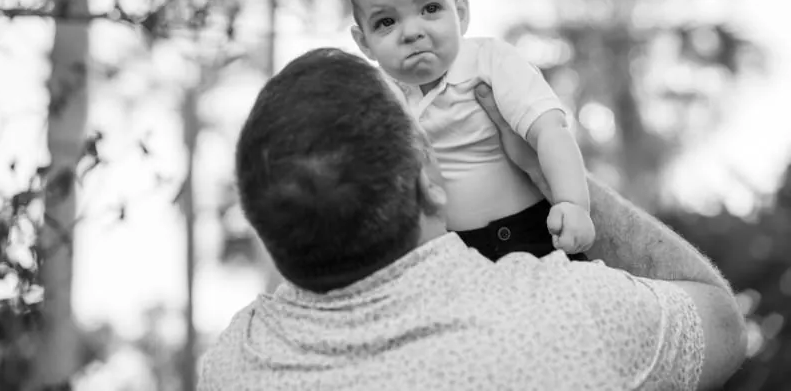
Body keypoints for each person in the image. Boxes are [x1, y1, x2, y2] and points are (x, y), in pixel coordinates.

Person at [198, 48, 746, 391]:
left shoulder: (234, 364)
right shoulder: (567, 313)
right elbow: (720, 322)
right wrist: (544, 176)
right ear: (427, 182)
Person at [344, 0, 592, 261]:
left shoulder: (489, 61)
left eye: (430, 9)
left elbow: (550, 132)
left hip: (532, 233)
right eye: (386, 22)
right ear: (364, 42)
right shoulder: (376, 96)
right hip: (447, 254)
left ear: (460, 14)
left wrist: (572, 203)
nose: (412, 32)